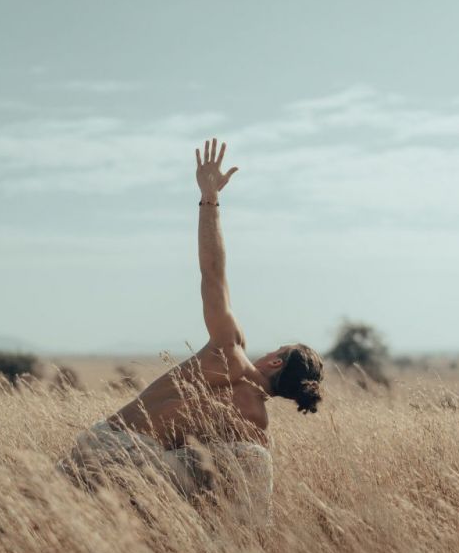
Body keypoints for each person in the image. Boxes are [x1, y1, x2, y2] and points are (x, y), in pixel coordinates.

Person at [57, 138, 324, 526]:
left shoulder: (229, 351)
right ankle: (249, 546)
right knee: (254, 459)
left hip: (105, 450)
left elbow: (213, 273)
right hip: (132, 468)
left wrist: (209, 199)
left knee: (245, 460)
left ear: (275, 360)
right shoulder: (256, 421)